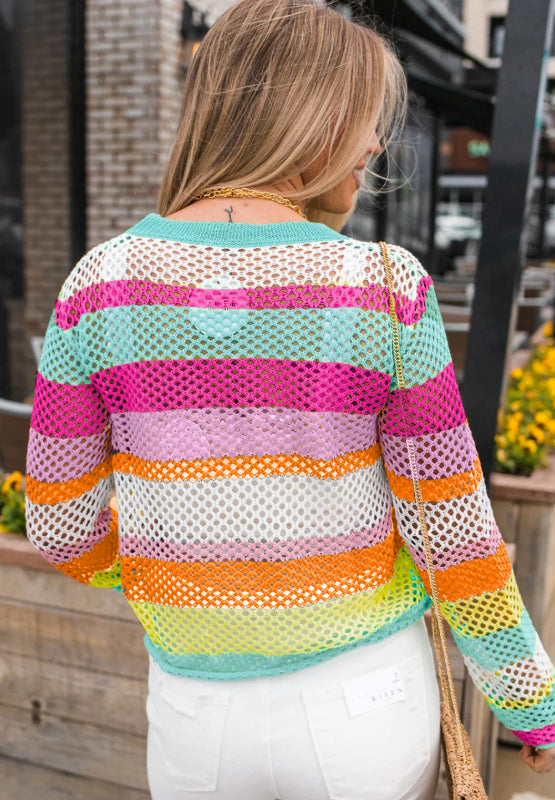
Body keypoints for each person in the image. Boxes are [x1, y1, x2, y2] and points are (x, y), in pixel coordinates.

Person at [25, 1, 555, 798]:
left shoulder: (97, 286)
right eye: (366, 120)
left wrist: (174, 574)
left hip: (194, 717)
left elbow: (61, 527)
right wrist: (531, 702)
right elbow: (448, 529)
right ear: (318, 118)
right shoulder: (383, 287)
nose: (374, 145)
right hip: (361, 705)